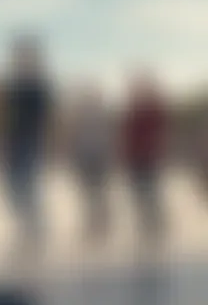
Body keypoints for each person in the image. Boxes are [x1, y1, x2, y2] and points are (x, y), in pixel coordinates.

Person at [3, 34, 53, 256]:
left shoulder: (38, 85)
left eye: (23, 55)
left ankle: (33, 225)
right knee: (11, 185)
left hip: (30, 141)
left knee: (25, 184)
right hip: (13, 140)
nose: (19, 59)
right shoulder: (14, 84)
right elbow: (6, 113)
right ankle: (30, 222)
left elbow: (43, 116)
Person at [122, 72, 168, 247]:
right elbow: (126, 135)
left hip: (150, 154)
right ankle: (147, 221)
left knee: (151, 190)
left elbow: (162, 132)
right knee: (138, 191)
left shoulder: (154, 108)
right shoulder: (132, 110)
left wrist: (158, 150)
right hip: (135, 156)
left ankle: (156, 222)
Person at [69, 84, 113, 244]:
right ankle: (97, 221)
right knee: (92, 191)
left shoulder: (95, 114)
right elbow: (74, 136)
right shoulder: (90, 114)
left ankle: (100, 221)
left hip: (95, 156)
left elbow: (75, 136)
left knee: (94, 191)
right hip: (89, 156)